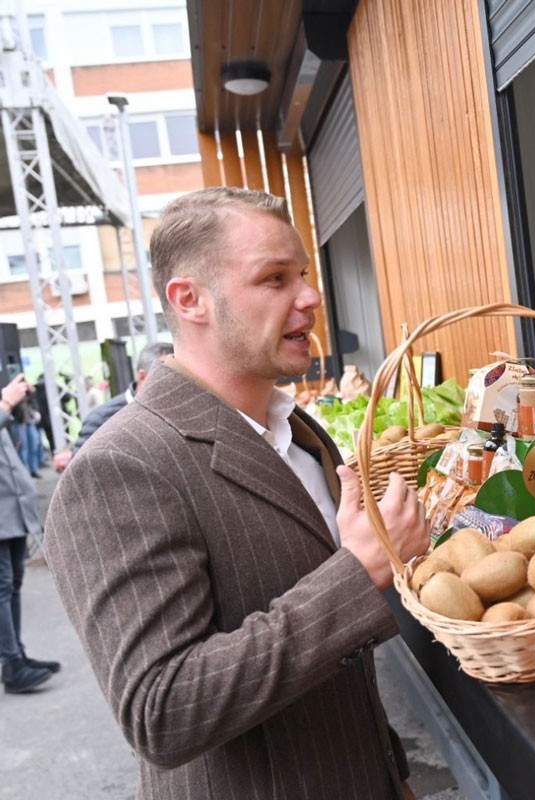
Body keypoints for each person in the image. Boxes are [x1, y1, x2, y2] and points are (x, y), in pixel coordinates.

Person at [44, 188, 429, 798]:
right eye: (274, 279)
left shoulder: (301, 432)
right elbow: (161, 711)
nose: (310, 297)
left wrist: (392, 774)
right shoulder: (121, 467)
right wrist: (358, 573)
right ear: (190, 299)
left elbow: (334, 663)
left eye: (301, 274)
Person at [0, 372, 60, 694]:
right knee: (3, 587)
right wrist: (6, 403)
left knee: (12, 584)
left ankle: (16, 655)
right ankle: (12, 664)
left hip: (11, 510)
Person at [53, 341, 174, 470]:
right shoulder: (102, 419)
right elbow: (80, 473)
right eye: (165, 377)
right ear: (142, 376)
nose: (173, 384)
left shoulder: (182, 409)